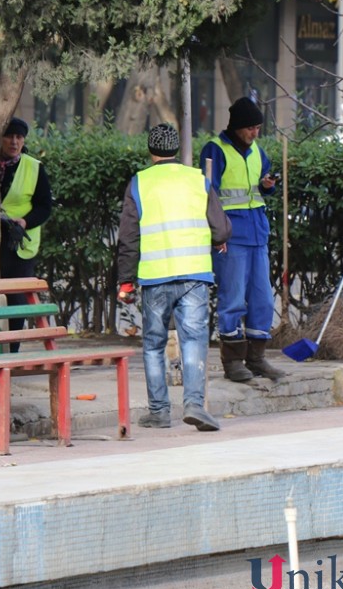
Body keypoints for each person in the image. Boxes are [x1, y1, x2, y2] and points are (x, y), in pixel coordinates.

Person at [117, 123, 231, 431]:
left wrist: (125, 282)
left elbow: (128, 238)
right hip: (195, 275)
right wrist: (215, 239)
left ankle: (159, 411)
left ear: (151, 151)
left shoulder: (139, 183)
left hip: (155, 278)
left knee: (154, 344)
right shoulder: (198, 179)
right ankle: (194, 404)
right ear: (177, 150)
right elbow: (221, 229)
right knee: (193, 340)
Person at [200, 97, 285, 382]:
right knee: (233, 299)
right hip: (231, 237)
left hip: (257, 234)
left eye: (258, 128)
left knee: (262, 298)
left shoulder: (257, 152)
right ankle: (233, 361)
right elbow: (208, 194)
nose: (255, 133)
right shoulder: (215, 150)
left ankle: (257, 358)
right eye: (251, 128)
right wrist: (216, 235)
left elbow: (259, 188)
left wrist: (267, 186)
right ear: (237, 126)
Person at [0, 116, 53, 352]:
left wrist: (24, 222)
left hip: (20, 242)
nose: (14, 141)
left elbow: (44, 206)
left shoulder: (34, 167)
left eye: (19, 137)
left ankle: (12, 350)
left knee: (16, 298)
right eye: (9, 136)